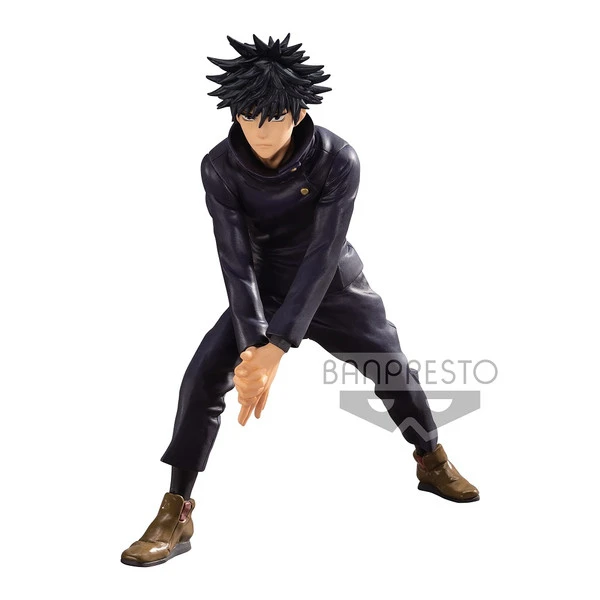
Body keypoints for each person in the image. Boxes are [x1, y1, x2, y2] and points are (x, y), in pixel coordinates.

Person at [121, 33, 479, 568]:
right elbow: (235, 262)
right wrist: (252, 349)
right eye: (248, 116)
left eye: (274, 116)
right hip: (262, 289)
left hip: (334, 286)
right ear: (234, 113)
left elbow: (322, 254)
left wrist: (277, 348)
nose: (261, 130)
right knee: (200, 378)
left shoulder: (338, 159)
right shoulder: (218, 166)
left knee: (392, 367)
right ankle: (177, 509)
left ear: (299, 111)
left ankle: (431, 459)